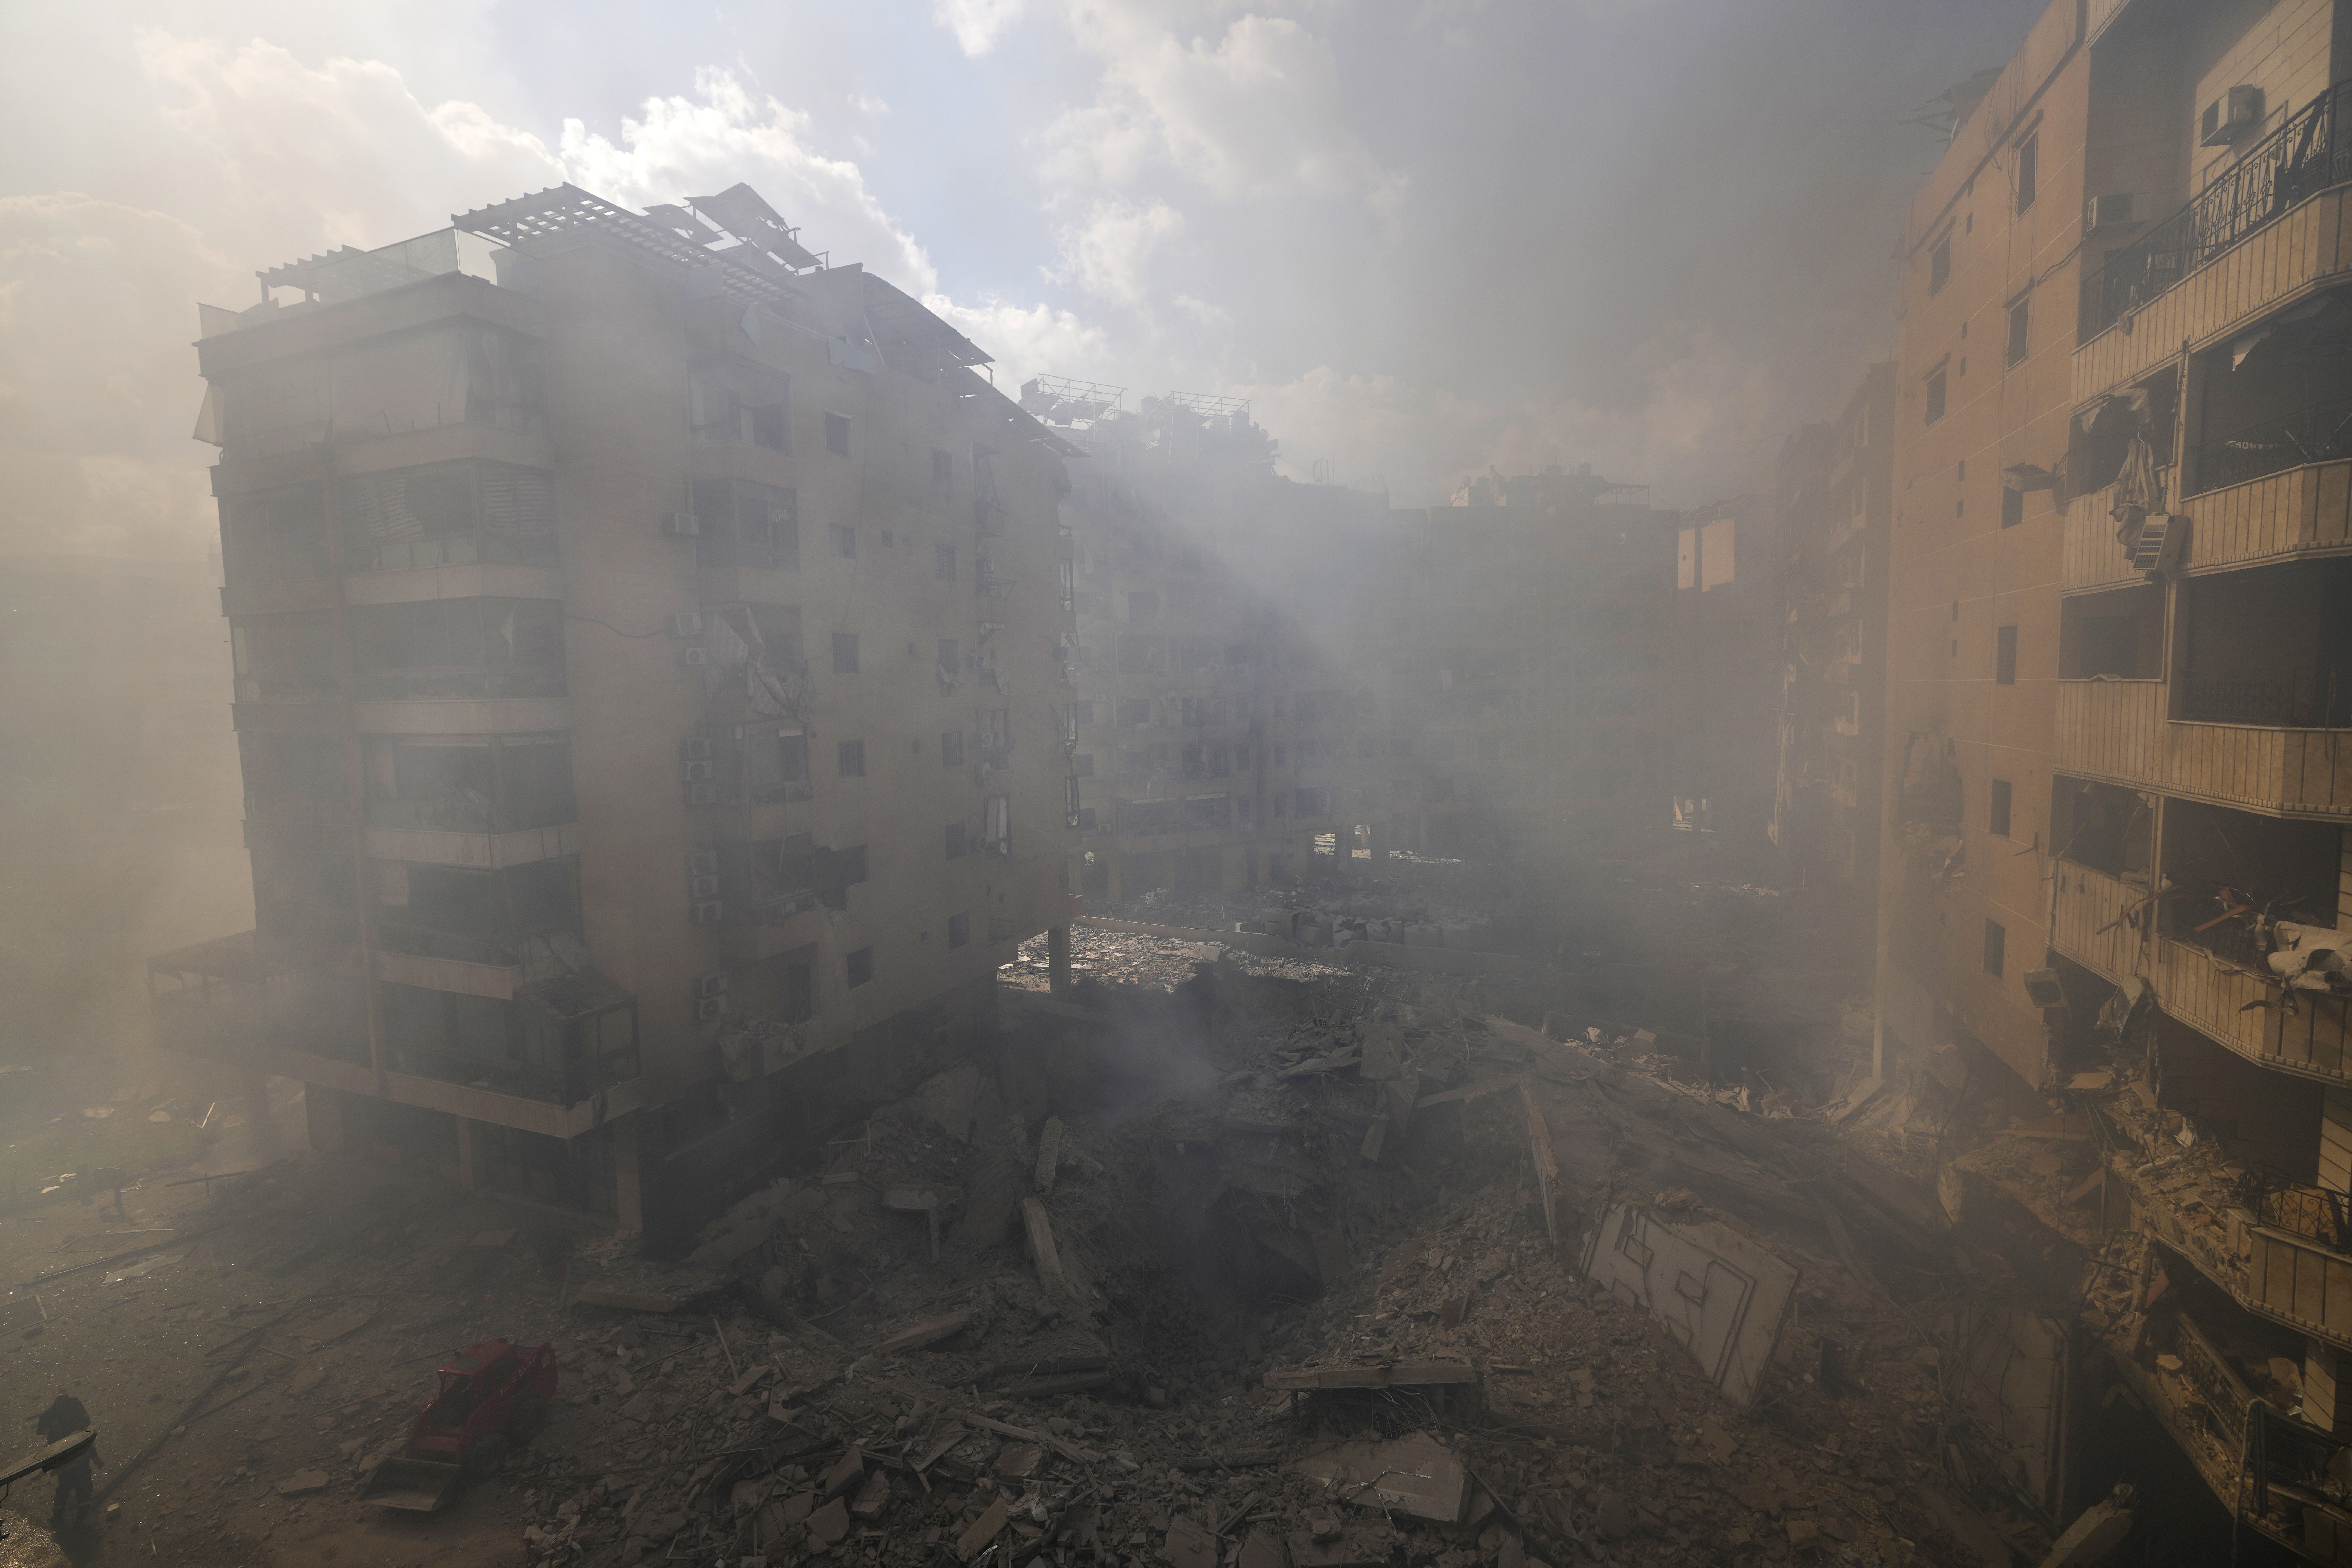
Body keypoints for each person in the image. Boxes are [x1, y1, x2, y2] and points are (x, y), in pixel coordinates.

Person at [32, 1391, 100, 1529]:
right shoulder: (51, 1415)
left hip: (77, 1460)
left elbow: (87, 1434)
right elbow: (42, 1431)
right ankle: (59, 1517)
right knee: (64, 1489)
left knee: (83, 1488)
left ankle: (81, 1517)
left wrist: (96, 1458)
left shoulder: (75, 1405)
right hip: (65, 1461)